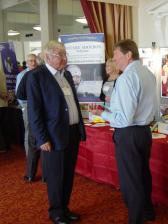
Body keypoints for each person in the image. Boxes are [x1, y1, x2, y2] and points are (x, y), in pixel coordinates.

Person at [26, 40, 86, 224]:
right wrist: (41, 138)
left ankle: (65, 208)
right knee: (55, 176)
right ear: (47, 57)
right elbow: (34, 112)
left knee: (67, 175)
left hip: (71, 133)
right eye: (61, 55)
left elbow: (72, 104)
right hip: (52, 137)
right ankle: (56, 212)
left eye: (65, 54)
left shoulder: (66, 74)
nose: (65, 58)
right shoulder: (36, 76)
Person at [100, 39, 157, 224]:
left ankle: (136, 219)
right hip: (144, 133)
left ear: (128, 55)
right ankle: (148, 211)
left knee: (130, 181)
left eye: (116, 55)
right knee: (142, 173)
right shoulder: (148, 73)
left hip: (129, 133)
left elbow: (124, 119)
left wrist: (102, 114)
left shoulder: (126, 78)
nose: (114, 59)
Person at [15, 53, 41, 182]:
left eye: (34, 60)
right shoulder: (22, 75)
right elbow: (19, 95)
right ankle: (29, 159)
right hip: (28, 108)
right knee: (30, 135)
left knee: (33, 137)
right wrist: (25, 107)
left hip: (36, 110)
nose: (33, 63)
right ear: (26, 62)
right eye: (30, 61)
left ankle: (32, 172)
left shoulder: (39, 73)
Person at [0, 69, 9, 153]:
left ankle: (2, 147)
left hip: (2, 102)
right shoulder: (2, 72)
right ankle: (5, 146)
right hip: (4, 103)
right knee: (3, 126)